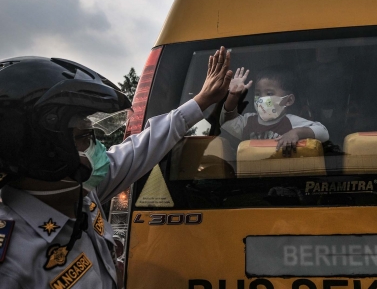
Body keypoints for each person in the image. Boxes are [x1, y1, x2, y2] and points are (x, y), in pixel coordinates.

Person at [0, 47, 232, 288]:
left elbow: (144, 146)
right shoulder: (13, 262)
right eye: (84, 137)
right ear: (43, 150)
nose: (97, 147)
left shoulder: (82, 193)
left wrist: (201, 101)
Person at [220, 65, 329, 156]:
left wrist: (296, 133)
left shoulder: (291, 122)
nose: (262, 98)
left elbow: (323, 132)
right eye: (258, 94)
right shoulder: (248, 121)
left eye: (269, 93)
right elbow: (226, 119)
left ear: (289, 100)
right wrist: (232, 95)